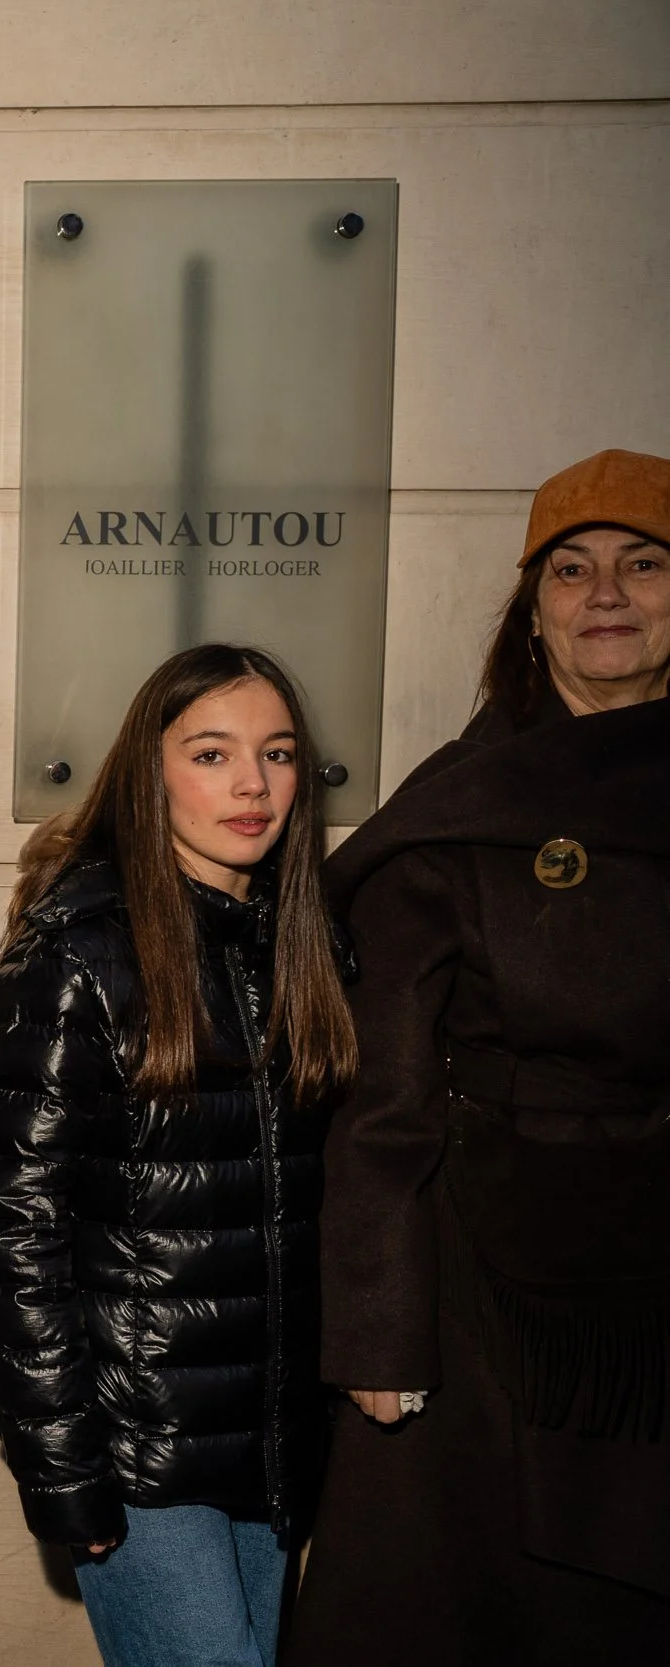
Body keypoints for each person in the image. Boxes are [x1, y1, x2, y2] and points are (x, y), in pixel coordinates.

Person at [288, 449, 670, 1663]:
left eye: (643, 562)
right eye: (570, 568)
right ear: (533, 609)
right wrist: (376, 1334)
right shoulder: (464, 805)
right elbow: (383, 1098)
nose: (604, 591)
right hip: (482, 1305)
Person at [0, 644, 355, 1667]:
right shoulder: (74, 953)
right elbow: (18, 1235)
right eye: (211, 752)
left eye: (275, 754)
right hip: (139, 1451)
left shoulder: (307, 944)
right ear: (150, 770)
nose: (250, 784)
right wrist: (61, 1461)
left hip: (272, 1444)